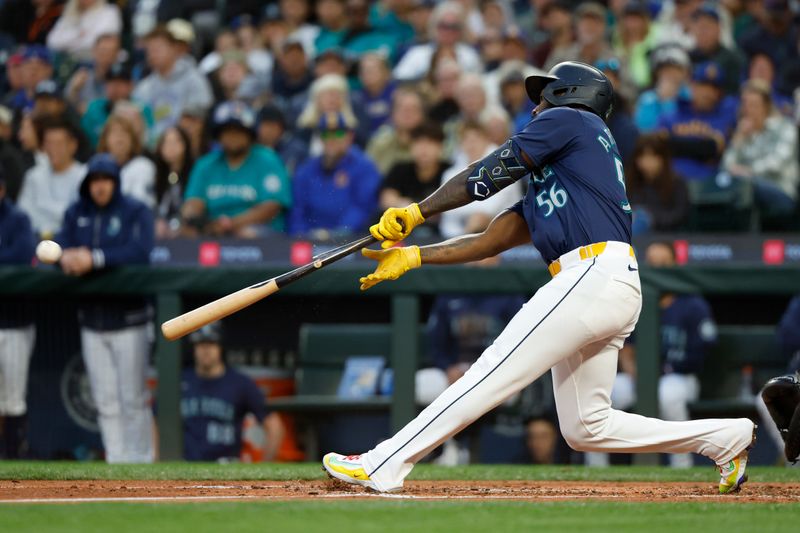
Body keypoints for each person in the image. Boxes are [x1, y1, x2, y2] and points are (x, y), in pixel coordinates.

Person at [321, 61, 755, 495]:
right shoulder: (571, 164)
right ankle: (724, 438)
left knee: (490, 372)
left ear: (572, 94)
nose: (535, 108)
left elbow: (486, 174)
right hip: (604, 281)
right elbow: (495, 238)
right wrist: (415, 256)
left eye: (544, 96)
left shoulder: (572, 120)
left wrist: (418, 211)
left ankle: (385, 462)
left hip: (591, 275)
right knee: (588, 426)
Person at [55, 153, 155, 464]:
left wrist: (94, 258)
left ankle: (141, 460)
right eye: (95, 181)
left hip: (130, 319)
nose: (100, 187)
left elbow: (141, 251)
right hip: (92, 319)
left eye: (106, 180)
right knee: (105, 399)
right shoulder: (76, 212)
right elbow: (60, 244)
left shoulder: (134, 210)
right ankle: (117, 460)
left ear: (116, 183)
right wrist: (65, 258)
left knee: (133, 397)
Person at [617, 242, 718, 468]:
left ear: (675, 265)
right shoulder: (636, 301)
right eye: (653, 264)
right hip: (641, 377)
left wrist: (666, 370)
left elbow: (703, 352)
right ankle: (596, 466)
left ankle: (681, 464)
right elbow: (626, 347)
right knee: (607, 393)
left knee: (667, 395)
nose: (659, 268)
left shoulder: (692, 303)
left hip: (680, 378)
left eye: (664, 263)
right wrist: (637, 373)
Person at [182, 101, 291, 237]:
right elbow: (193, 202)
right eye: (227, 131)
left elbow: (271, 206)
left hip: (260, 231)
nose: (232, 137)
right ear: (218, 135)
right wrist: (193, 219)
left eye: (238, 131)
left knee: (246, 233)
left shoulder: (268, 160)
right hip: (213, 227)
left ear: (249, 133)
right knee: (187, 232)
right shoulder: (205, 164)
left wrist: (231, 224)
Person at [179, 323, 285, 462]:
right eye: (201, 344)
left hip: (226, 466)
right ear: (193, 348)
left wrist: (264, 467)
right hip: (186, 466)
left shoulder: (240, 383)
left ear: (220, 347)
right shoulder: (180, 381)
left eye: (211, 343)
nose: (206, 350)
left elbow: (274, 426)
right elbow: (156, 418)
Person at [289, 112, 381, 237]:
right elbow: (298, 210)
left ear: (350, 137)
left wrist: (337, 233)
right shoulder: (307, 170)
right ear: (320, 138)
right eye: (326, 134)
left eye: (338, 133)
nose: (332, 139)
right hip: (310, 240)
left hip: (350, 241)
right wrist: (302, 235)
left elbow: (362, 207)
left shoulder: (364, 167)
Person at [721, 80, 799, 219]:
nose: (748, 110)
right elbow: (725, 168)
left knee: (748, 187)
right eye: (745, 104)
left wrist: (748, 172)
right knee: (724, 187)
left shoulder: (785, 128)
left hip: (781, 191)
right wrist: (737, 141)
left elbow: (776, 163)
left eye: (754, 105)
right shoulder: (742, 132)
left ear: (767, 106)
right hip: (744, 189)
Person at [0, 172, 36, 459]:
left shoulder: (17, 219)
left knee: (12, 399)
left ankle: (12, 459)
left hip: (14, 321)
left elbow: (22, 254)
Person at [658, 61, 737, 183]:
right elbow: (659, 145)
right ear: (692, 85)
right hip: (670, 184)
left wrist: (673, 143)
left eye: (714, 88)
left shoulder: (725, 115)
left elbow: (713, 149)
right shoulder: (673, 114)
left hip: (708, 186)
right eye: (703, 85)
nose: (708, 93)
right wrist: (700, 148)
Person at [133, 26, 213, 142]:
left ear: (173, 49)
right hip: (152, 145)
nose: (153, 54)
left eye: (158, 49)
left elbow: (200, 113)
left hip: (184, 143)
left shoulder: (193, 78)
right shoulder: (144, 86)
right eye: (149, 50)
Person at [17, 118, 86, 239]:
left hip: (72, 241)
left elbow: (81, 216)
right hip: (36, 239)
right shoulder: (33, 175)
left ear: (73, 145)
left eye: (59, 143)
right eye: (49, 143)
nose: (53, 149)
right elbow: (24, 214)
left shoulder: (85, 175)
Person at [393, 1, 482, 81]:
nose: (448, 32)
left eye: (454, 27)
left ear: (461, 30)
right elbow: (399, 80)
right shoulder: (418, 54)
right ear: (435, 26)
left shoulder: (470, 56)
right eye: (444, 26)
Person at [380, 122, 450, 220]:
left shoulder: (450, 171)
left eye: (430, 143)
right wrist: (402, 204)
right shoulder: (400, 169)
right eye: (418, 143)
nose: (423, 149)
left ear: (440, 147)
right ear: (411, 147)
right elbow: (387, 198)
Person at [626, 134, 690, 234]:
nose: (646, 161)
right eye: (642, 156)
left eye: (652, 156)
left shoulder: (677, 183)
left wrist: (651, 217)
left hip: (665, 236)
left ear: (663, 158)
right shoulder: (629, 182)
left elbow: (680, 215)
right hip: (634, 234)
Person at [97, 115, 157, 209]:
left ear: (132, 141)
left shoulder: (143, 166)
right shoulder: (94, 168)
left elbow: (140, 203)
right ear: (105, 139)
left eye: (124, 133)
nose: (119, 137)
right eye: (115, 133)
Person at [688, 3, 744, 96]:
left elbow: (736, 92)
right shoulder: (688, 57)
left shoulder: (733, 59)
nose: (702, 32)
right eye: (699, 27)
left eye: (706, 27)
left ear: (718, 29)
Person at [366, 87, 425, 175]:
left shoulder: (433, 143)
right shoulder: (379, 141)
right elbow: (368, 174)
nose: (408, 113)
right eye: (402, 108)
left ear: (422, 114)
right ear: (392, 114)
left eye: (413, 109)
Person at [634, 45, 691, 132]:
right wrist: (665, 101)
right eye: (665, 69)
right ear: (657, 73)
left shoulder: (690, 96)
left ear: (685, 73)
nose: (670, 74)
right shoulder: (647, 99)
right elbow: (644, 130)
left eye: (676, 69)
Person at [65, 33, 123, 114]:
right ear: (94, 51)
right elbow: (66, 101)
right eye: (103, 51)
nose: (107, 56)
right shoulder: (82, 75)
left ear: (117, 54)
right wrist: (74, 90)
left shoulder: (122, 79)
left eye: (111, 52)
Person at [46, 0, 122, 61]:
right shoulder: (70, 14)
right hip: (68, 61)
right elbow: (52, 41)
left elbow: (97, 44)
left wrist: (68, 45)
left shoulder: (109, 11)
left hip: (94, 62)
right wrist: (77, 34)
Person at [154, 126, 193, 239]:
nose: (171, 147)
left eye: (176, 141)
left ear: (186, 144)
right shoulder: (157, 176)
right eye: (166, 142)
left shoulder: (195, 173)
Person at [255, 104, 308, 176]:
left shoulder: (296, 150)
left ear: (282, 128)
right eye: (266, 125)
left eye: (273, 126)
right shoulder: (251, 149)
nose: (269, 130)